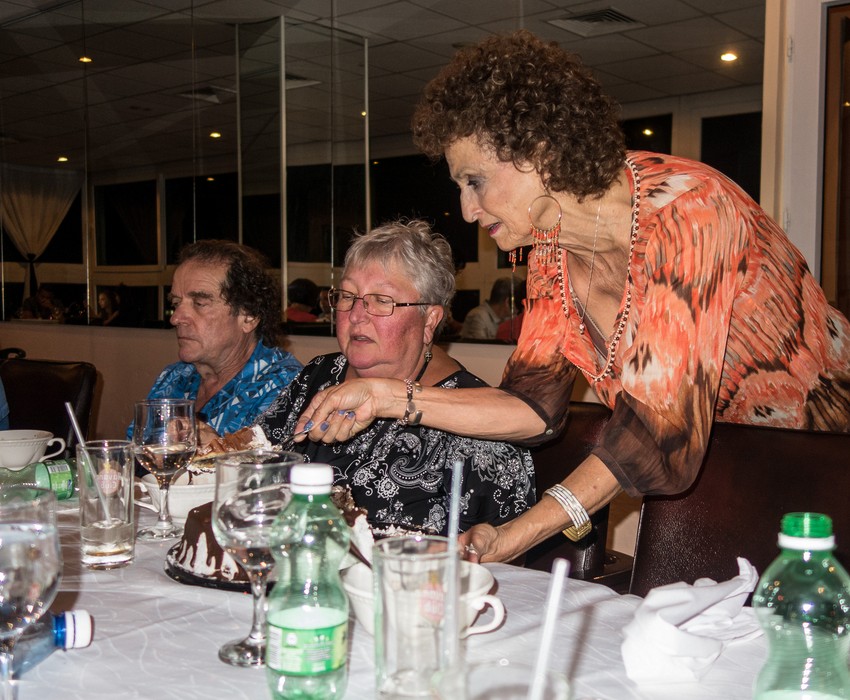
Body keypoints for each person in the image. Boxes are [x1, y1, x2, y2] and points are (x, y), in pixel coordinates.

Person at [287, 31, 850, 564]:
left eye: (474, 181)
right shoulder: (551, 255)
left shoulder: (688, 210)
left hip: (830, 464)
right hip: (722, 468)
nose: (465, 209)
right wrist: (388, 396)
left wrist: (516, 533)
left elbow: (655, 434)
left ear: (538, 153)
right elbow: (533, 408)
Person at [209, 220, 535, 535]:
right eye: (348, 296)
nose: (356, 314)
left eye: (382, 301)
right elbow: (256, 462)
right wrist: (214, 447)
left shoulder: (482, 422)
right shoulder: (318, 375)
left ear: (430, 319)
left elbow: (503, 559)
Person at [129, 240, 302, 439]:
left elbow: (271, 468)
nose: (175, 318)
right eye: (176, 303)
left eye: (200, 303)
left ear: (249, 316)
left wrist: (217, 451)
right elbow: (134, 459)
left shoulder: (286, 387)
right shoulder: (174, 377)